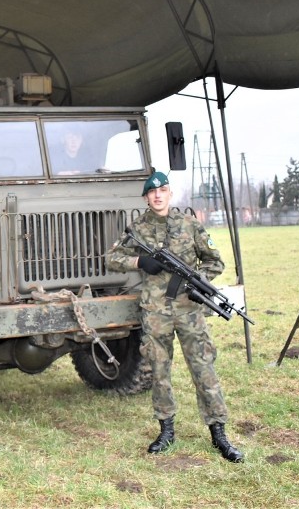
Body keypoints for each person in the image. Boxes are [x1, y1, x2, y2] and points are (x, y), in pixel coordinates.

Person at [106, 172, 243, 463]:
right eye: (152, 193)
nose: (158, 196)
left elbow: (214, 260)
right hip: (156, 311)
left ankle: (219, 434)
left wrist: (196, 283)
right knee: (159, 370)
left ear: (170, 194)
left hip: (189, 310)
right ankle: (166, 431)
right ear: (146, 197)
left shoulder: (190, 224)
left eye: (163, 191)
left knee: (203, 368)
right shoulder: (138, 228)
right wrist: (140, 261)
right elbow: (112, 258)